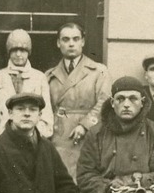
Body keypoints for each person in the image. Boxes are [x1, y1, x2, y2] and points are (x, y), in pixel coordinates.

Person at [46, 22, 112, 176]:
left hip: (88, 134)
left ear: (83, 42)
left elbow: (105, 101)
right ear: (58, 43)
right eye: (65, 39)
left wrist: (85, 125)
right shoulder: (49, 75)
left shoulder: (98, 71)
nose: (71, 44)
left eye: (76, 39)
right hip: (58, 134)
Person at [0, 29, 55, 138]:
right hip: (3, 137)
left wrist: (37, 133)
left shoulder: (39, 77)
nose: (18, 54)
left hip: (32, 136)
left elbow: (46, 112)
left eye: (23, 50)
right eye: (14, 50)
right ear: (8, 52)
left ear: (29, 52)